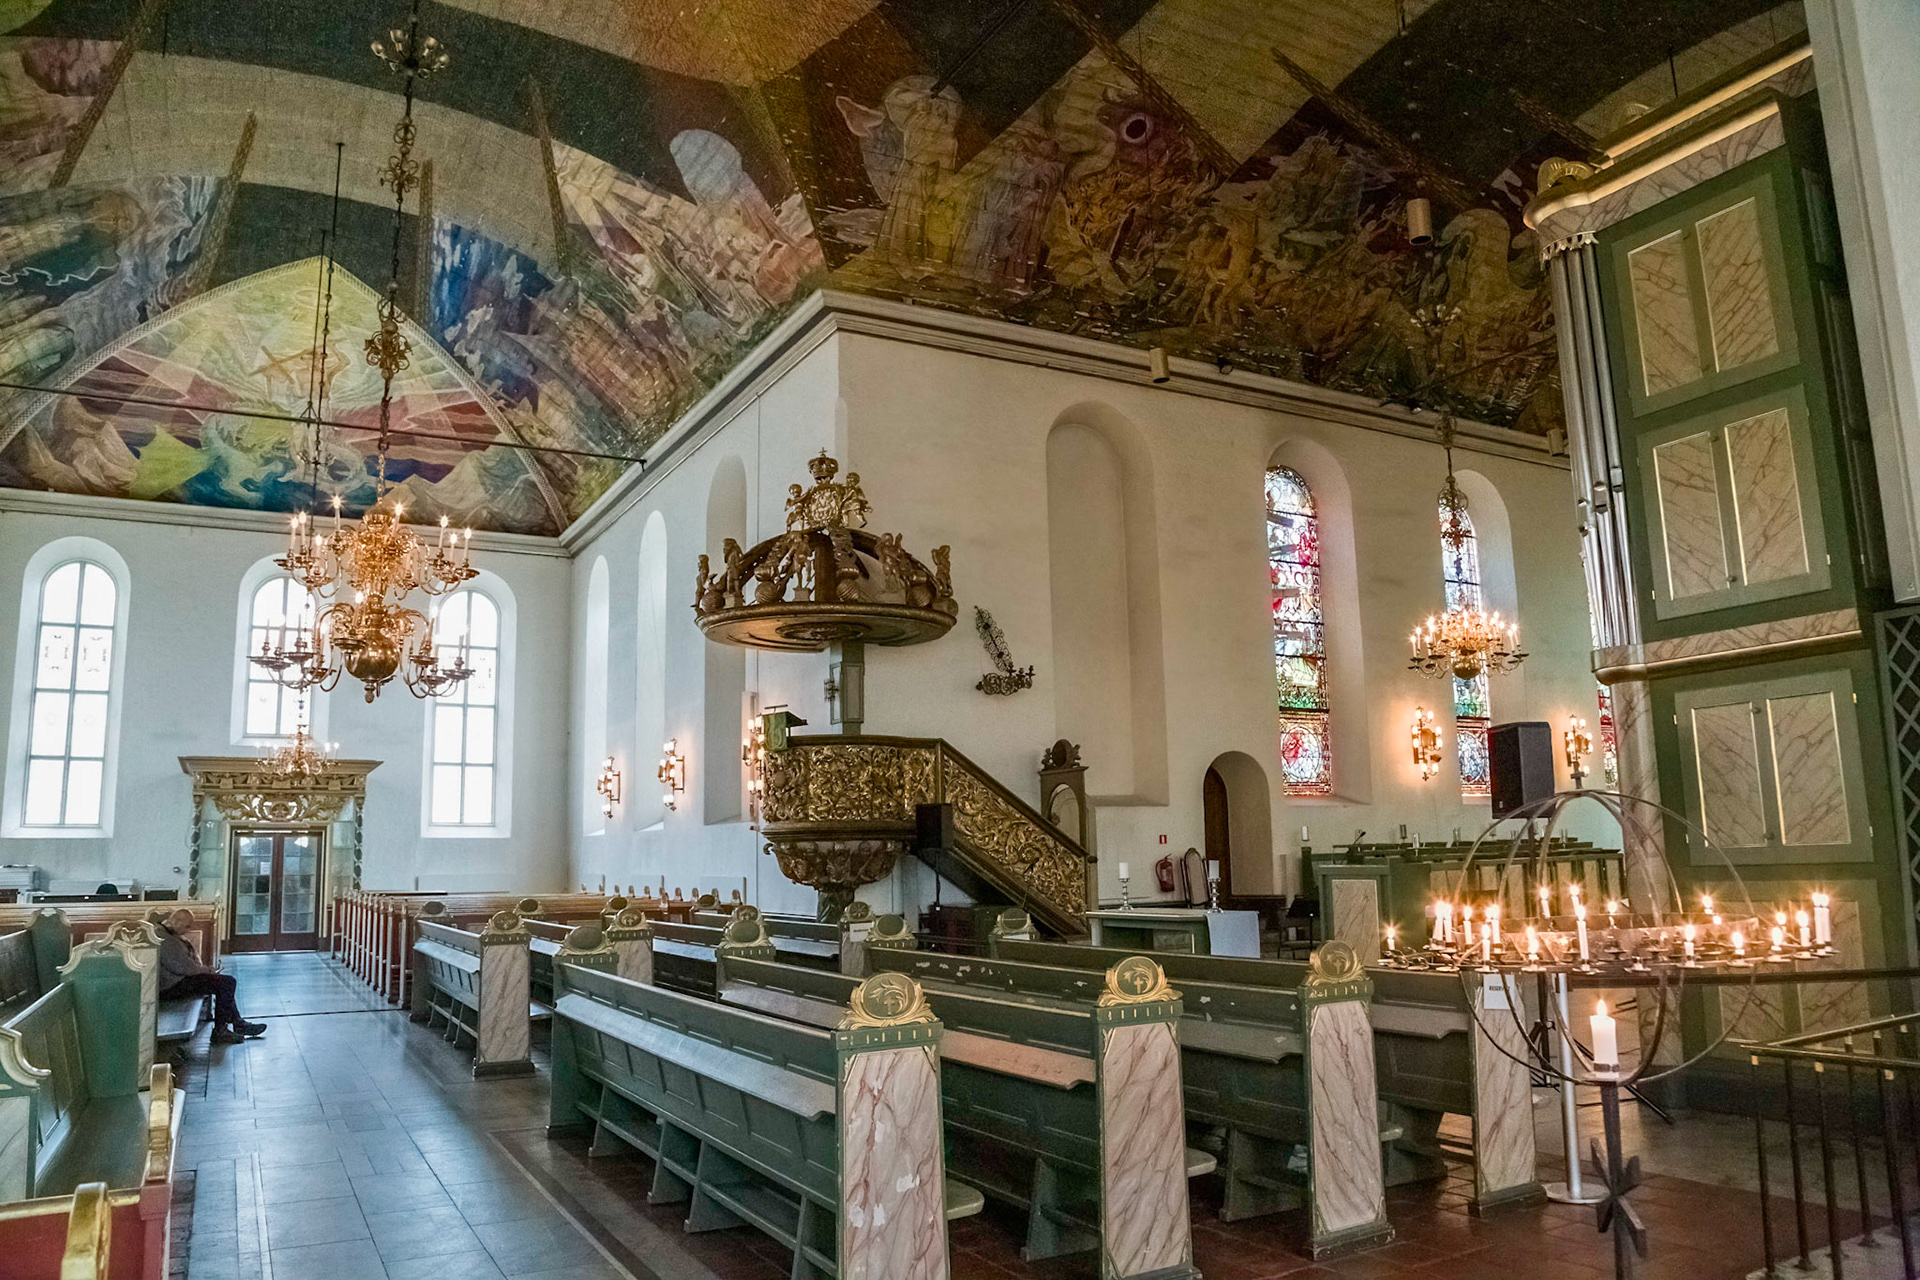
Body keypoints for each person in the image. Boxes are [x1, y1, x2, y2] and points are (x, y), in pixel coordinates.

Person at [157, 910, 265, 1043]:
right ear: (176, 921)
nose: (188, 930)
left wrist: (207, 971)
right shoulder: (166, 939)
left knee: (223, 983)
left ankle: (237, 1023)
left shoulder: (167, 933)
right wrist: (208, 970)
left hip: (176, 981)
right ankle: (221, 1031)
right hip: (172, 986)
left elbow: (184, 966)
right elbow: (185, 968)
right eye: (187, 926)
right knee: (226, 983)